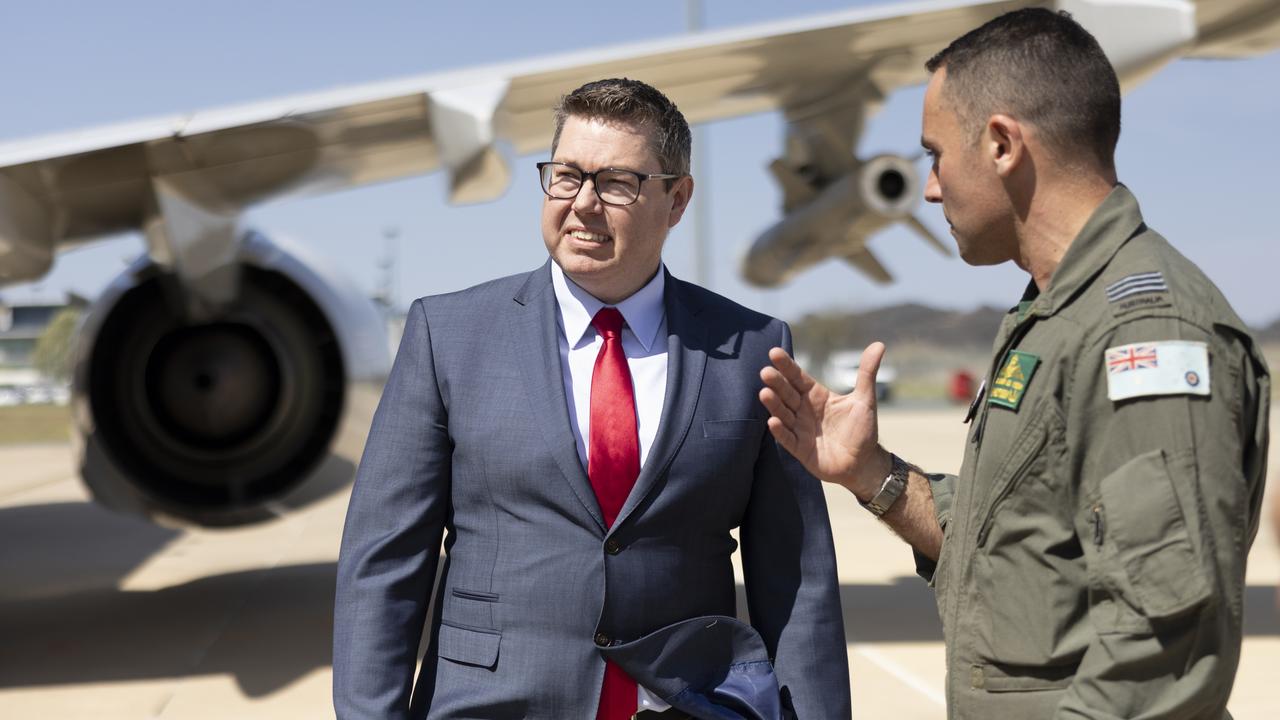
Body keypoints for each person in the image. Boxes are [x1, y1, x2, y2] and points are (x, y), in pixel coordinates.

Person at [759, 9, 1270, 719]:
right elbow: (1015, 548)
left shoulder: (1143, 334)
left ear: (1001, 144)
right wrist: (870, 471)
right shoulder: (1056, 315)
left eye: (934, 155)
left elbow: (1163, 654)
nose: (931, 188)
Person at [333, 78, 850, 720]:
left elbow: (796, 579)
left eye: (616, 183)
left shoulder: (752, 349)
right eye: (566, 176)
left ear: (677, 198)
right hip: (489, 704)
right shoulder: (448, 335)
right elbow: (383, 565)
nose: (582, 204)